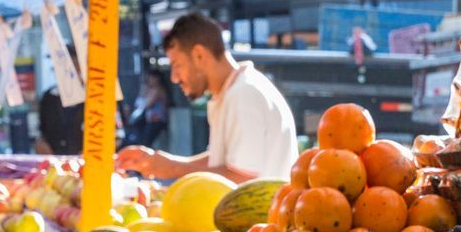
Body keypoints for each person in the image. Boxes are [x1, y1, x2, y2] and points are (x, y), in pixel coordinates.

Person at [113, 12, 296, 182]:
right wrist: (161, 162)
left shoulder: (243, 94)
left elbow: (241, 176)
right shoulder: (234, 91)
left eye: (177, 65)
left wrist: (172, 168)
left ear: (199, 55)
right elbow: (223, 162)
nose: (174, 77)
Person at [123, 70, 170, 150]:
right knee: (142, 141)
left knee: (145, 143)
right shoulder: (150, 89)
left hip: (157, 121)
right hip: (149, 121)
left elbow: (147, 104)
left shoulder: (158, 89)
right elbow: (140, 102)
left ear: (157, 79)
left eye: (152, 78)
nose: (150, 80)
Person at [35, 87, 85, 155]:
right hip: (53, 155)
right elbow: (41, 127)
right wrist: (40, 141)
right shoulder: (49, 96)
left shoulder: (93, 97)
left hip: (84, 156)